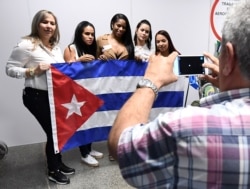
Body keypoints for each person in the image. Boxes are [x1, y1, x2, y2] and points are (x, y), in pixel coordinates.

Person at [108, 1, 250, 188]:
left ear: (228, 57)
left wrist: (150, 80)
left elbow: (121, 144)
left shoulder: (187, 127)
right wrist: (227, 84)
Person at [5, 10, 75, 185]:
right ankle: (53, 170)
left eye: (52, 23)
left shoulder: (56, 48)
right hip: (35, 96)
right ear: (37, 24)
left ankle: (58, 163)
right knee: (54, 132)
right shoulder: (26, 45)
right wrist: (32, 70)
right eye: (45, 22)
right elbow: (9, 69)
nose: (49, 26)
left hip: (53, 96)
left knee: (57, 132)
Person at [63, 21, 103, 167]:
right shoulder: (71, 48)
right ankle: (84, 153)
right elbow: (66, 72)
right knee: (81, 123)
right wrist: (79, 60)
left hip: (91, 91)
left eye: (92, 34)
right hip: (77, 93)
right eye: (87, 33)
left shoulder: (93, 49)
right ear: (80, 34)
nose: (90, 37)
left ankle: (89, 149)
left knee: (91, 121)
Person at [96, 13, 134, 161]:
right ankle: (112, 147)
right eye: (118, 25)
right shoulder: (101, 39)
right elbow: (93, 62)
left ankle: (122, 147)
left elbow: (131, 67)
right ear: (112, 24)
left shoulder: (128, 43)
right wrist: (100, 59)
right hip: (106, 86)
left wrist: (136, 58)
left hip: (124, 87)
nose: (121, 29)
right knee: (108, 116)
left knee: (123, 117)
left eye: (124, 27)